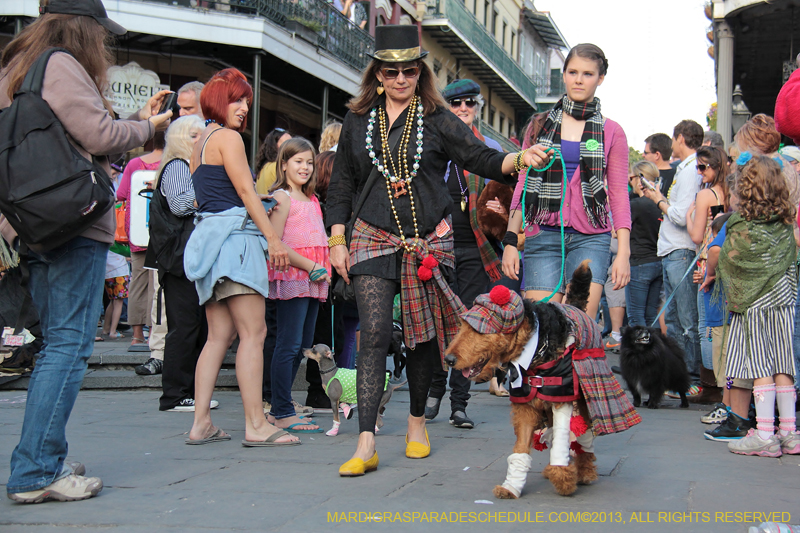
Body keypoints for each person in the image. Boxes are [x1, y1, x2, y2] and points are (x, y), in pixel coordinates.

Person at [326, 25, 549, 476]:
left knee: (423, 336)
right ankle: (366, 442)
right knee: (372, 334)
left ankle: (415, 425)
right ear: (379, 73)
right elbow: (342, 183)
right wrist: (336, 239)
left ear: (419, 72)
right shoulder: (357, 119)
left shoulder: (437, 117)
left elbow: (480, 158)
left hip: (428, 241)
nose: (401, 79)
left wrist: (518, 159)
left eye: (409, 71)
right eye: (392, 71)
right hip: (370, 236)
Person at [0, 0, 171, 503]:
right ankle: (35, 470)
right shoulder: (62, 63)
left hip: (31, 221)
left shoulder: (16, 67)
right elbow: (99, 136)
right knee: (70, 347)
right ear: (84, 30)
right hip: (72, 223)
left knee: (56, 344)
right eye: (100, 35)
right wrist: (147, 128)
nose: (103, 46)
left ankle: (43, 454)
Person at [183, 68, 299, 446]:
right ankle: (256, 425)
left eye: (246, 100)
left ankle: (201, 423)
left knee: (218, 336)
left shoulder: (199, 142)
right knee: (255, 332)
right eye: (237, 99)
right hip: (235, 244)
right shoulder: (228, 138)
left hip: (211, 244)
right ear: (220, 99)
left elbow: (209, 197)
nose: (244, 107)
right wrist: (273, 239)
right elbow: (248, 195)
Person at [504, 43, 631, 323]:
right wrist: (511, 241)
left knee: (578, 326)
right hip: (544, 235)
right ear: (563, 75)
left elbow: (619, 193)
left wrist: (623, 251)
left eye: (587, 73)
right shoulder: (540, 125)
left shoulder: (612, 132)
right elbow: (523, 185)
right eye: (572, 72)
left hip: (592, 237)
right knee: (540, 327)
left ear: (600, 78)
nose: (578, 79)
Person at [424, 78, 506, 429]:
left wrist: (500, 211)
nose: (462, 110)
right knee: (436, 322)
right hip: (438, 247)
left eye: (469, 104)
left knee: (470, 324)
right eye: (455, 104)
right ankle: (432, 391)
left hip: (478, 249)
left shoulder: (489, 149)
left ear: (477, 108)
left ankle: (459, 403)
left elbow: (508, 201)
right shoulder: (433, 145)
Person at [718, 155, 800, 457]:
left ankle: (765, 433)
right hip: (783, 298)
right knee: (783, 360)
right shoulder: (784, 225)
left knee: (759, 362)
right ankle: (789, 432)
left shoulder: (741, 224)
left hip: (753, 302)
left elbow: (732, 260)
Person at [150, 115, 217, 412]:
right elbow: (179, 205)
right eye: (193, 135)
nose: (199, 139)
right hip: (179, 261)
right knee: (186, 327)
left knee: (195, 327)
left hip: (185, 259)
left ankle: (186, 393)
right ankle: (175, 395)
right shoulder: (177, 166)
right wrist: (214, 196)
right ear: (178, 138)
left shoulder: (188, 167)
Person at [266, 138, 331, 434]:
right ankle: (279, 409)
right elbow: (276, 243)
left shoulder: (312, 199)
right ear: (284, 165)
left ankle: (284, 406)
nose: (304, 167)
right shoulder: (282, 198)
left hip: (313, 282)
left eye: (309, 162)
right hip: (294, 278)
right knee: (288, 345)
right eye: (298, 162)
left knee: (300, 347)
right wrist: (310, 266)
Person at [642, 120, 704, 387]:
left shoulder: (690, 170)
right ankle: (681, 375)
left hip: (681, 249)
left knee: (686, 321)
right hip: (672, 250)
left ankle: (691, 377)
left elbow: (680, 215)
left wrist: (658, 199)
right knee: (676, 321)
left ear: (680, 138)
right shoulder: (687, 168)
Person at [700, 211, 754, 440]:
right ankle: (730, 407)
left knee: (731, 367)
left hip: (729, 310)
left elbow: (714, 251)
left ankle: (729, 409)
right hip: (738, 307)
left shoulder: (738, 220)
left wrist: (711, 272)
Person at [685, 145, 730, 405]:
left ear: (715, 166)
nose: (700, 172)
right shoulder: (732, 192)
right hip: (730, 261)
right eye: (698, 167)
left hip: (707, 261)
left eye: (703, 167)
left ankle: (713, 386)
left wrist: (691, 215)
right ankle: (728, 386)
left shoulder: (705, 196)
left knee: (707, 328)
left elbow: (696, 236)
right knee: (724, 325)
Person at [117, 132, 164, 362]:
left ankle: (136, 336)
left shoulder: (135, 164)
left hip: (138, 230)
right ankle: (154, 333)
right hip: (164, 233)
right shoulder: (174, 164)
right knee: (159, 285)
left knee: (138, 282)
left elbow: (122, 195)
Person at [625, 161, 664, 328]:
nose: (630, 181)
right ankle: (653, 352)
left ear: (640, 180)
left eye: (632, 178)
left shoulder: (636, 205)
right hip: (657, 261)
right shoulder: (661, 203)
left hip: (639, 263)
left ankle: (640, 353)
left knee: (636, 317)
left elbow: (616, 230)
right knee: (650, 316)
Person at [255, 128, 292, 195]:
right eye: (286, 143)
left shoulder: (264, 167)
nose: (292, 147)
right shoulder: (279, 166)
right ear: (274, 145)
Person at [101, 250, 129, 339]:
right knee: (118, 302)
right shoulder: (119, 239)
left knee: (112, 301)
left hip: (108, 271)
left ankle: (106, 329)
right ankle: (113, 331)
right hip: (120, 270)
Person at [643, 133, 676, 197]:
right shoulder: (677, 175)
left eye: (646, 153)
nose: (643, 155)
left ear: (657, 155)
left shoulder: (646, 176)